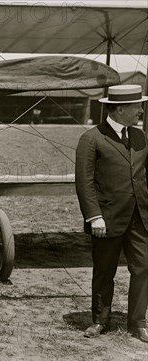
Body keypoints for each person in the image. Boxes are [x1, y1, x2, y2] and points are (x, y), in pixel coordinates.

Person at [75, 84, 148, 343]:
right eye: (136, 106)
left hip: (140, 219)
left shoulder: (140, 137)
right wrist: (94, 216)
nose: (141, 110)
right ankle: (100, 321)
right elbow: (84, 182)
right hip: (106, 220)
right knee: (104, 271)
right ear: (119, 109)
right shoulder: (92, 139)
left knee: (144, 267)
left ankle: (137, 323)